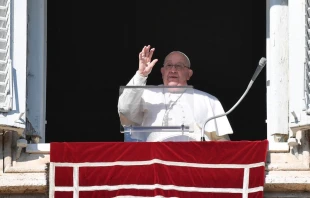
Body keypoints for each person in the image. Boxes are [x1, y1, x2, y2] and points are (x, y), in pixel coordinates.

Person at [118, 45, 233, 142]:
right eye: (168, 65)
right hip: (156, 160)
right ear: (162, 72)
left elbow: (221, 142)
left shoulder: (208, 100)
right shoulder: (146, 94)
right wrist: (141, 75)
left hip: (193, 161)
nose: (173, 70)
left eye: (179, 66)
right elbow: (125, 109)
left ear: (189, 74)